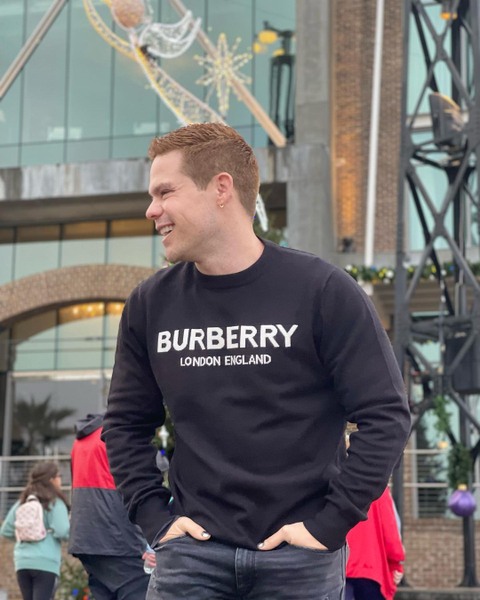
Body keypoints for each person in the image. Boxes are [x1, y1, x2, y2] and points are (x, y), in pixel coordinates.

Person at [101, 122, 411, 599]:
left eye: (165, 192)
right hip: (190, 559)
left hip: (299, 561)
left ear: (221, 188)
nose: (152, 209)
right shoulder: (150, 304)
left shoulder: (321, 290)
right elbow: (123, 423)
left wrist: (330, 524)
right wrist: (154, 518)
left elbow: (386, 414)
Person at [69, 413, 152, 600]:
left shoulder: (81, 441)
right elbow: (149, 473)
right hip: (119, 538)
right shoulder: (118, 433)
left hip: (85, 538)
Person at [0, 460, 70, 600]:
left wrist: (25, 535)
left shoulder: (23, 502)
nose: (61, 479)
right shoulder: (55, 502)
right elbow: (63, 531)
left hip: (22, 562)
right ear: (52, 479)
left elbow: (5, 530)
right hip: (46, 562)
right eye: (59, 476)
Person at [346, 487, 405, 600]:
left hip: (337, 569)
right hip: (371, 570)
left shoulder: (332, 483)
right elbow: (390, 531)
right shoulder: (379, 486)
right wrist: (396, 564)